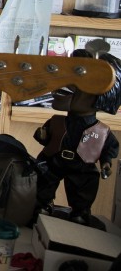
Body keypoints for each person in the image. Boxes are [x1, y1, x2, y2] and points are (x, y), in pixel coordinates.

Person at [34, 50, 121, 229]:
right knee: (45, 179)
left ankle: (80, 212)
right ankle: (43, 204)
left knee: (84, 187)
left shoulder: (102, 130)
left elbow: (109, 148)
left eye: (80, 93)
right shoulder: (58, 121)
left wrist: (106, 163)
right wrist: (42, 135)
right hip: (55, 160)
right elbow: (47, 136)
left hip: (82, 165)